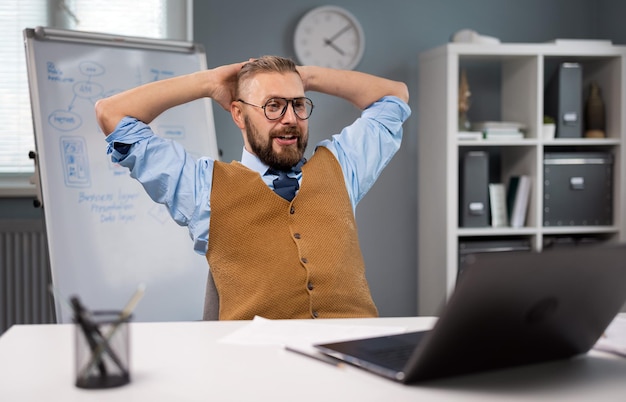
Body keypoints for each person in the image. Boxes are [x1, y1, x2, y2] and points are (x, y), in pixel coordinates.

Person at [95, 55, 410, 321]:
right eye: (273, 106)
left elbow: (394, 96)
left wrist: (306, 76)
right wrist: (208, 83)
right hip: (259, 374)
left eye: (298, 104)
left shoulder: (343, 166)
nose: (290, 119)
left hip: (355, 371)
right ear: (238, 113)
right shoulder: (201, 186)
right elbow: (112, 113)